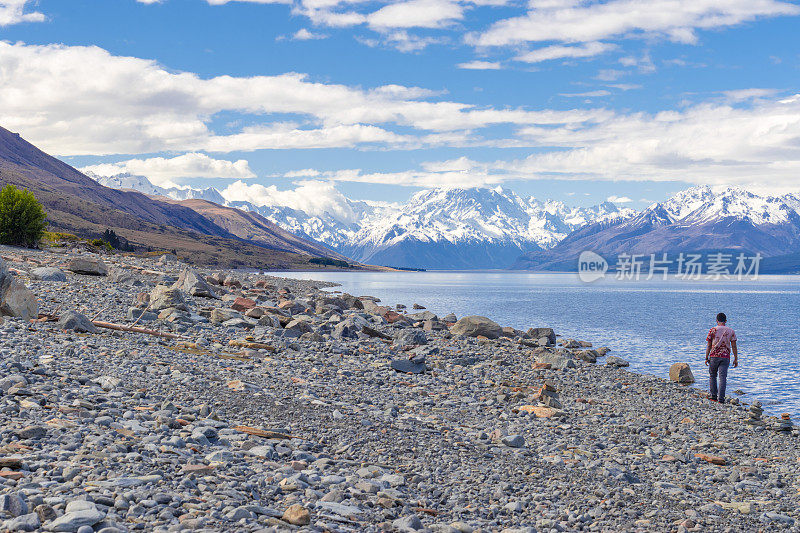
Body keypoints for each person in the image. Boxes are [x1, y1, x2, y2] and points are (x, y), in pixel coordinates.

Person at [705, 312, 738, 403]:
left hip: (714, 356)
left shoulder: (713, 330)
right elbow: (734, 346)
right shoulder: (731, 331)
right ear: (726, 321)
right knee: (722, 377)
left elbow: (708, 345)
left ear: (716, 320)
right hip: (725, 356)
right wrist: (736, 358)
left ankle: (713, 396)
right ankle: (721, 399)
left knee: (712, 375)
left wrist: (706, 357)